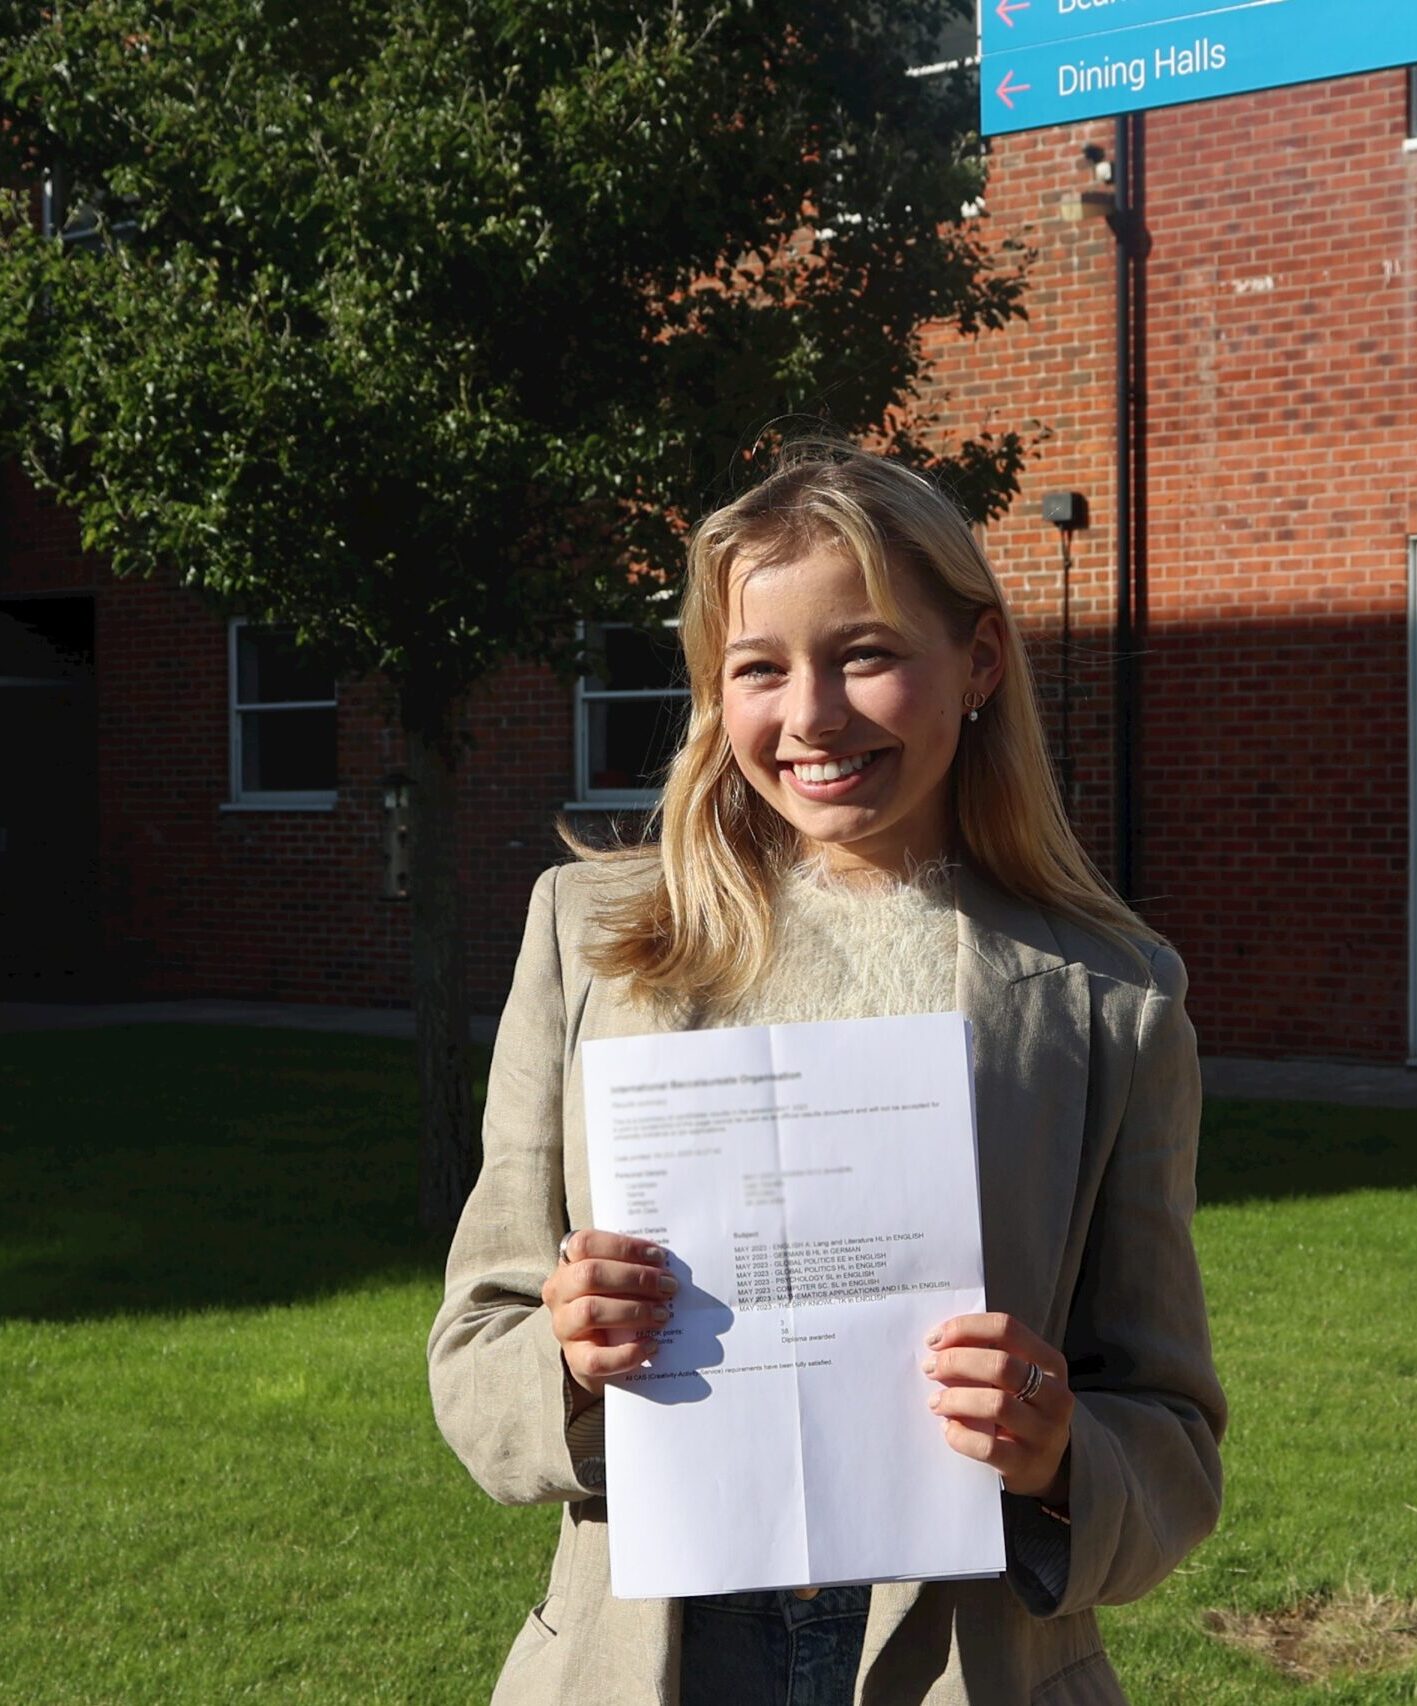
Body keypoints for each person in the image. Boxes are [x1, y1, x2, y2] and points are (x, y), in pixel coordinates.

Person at [428, 442, 1227, 1706]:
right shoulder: (588, 942)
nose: (811, 716)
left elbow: (1175, 1440)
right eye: (759, 667)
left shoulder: (1113, 996)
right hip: (649, 1653)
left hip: (965, 1660)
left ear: (979, 661)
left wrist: (1062, 1448)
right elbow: (476, 1349)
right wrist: (570, 1359)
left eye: (865, 653)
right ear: (712, 688)